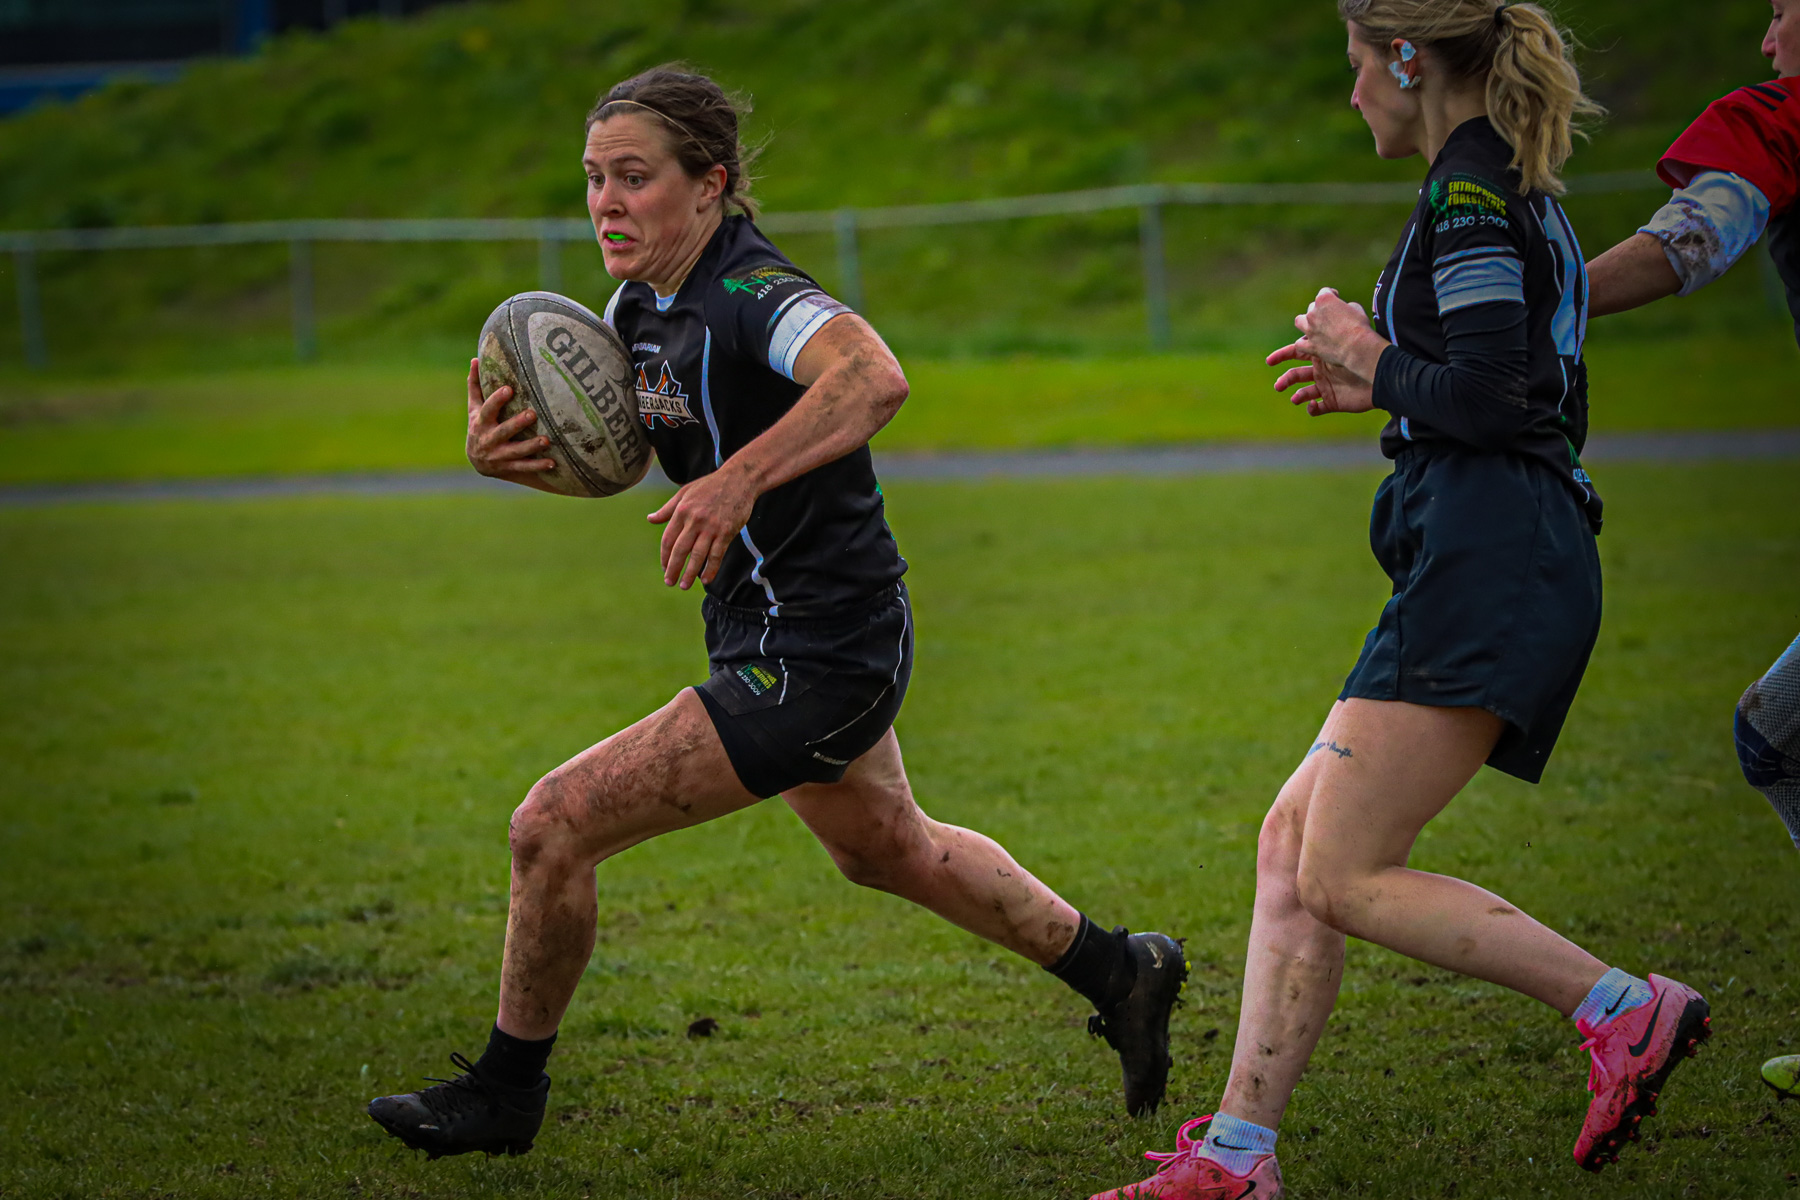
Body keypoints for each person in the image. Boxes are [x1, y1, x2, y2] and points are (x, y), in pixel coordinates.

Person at [365, 66, 1189, 1161]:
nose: (607, 203)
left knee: (550, 827)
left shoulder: (755, 296)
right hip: (763, 630)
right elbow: (636, 469)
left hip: (822, 648)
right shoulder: (637, 310)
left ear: (709, 185)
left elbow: (872, 378)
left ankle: (506, 1093)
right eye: (593, 180)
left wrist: (740, 480)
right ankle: (1122, 971)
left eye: (635, 177)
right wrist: (514, 463)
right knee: (888, 850)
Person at [1093, 4, 1711, 1197]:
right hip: (1479, 549)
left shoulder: (1472, 193)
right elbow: (1492, 379)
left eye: (1357, 69)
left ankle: (1624, 1010)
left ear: (1408, 59)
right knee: (1293, 843)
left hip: (1491, 554)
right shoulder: (1490, 185)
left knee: (1342, 870)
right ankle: (1236, 1157)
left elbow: (1495, 399)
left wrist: (1374, 358)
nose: (1355, 96)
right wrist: (1385, 382)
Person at [1584, 0, 1800, 1102]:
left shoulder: (1782, 115)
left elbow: (1693, 237)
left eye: (1781, 12)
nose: (1767, 39)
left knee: (1779, 735)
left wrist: (1536, 300)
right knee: (1778, 732)